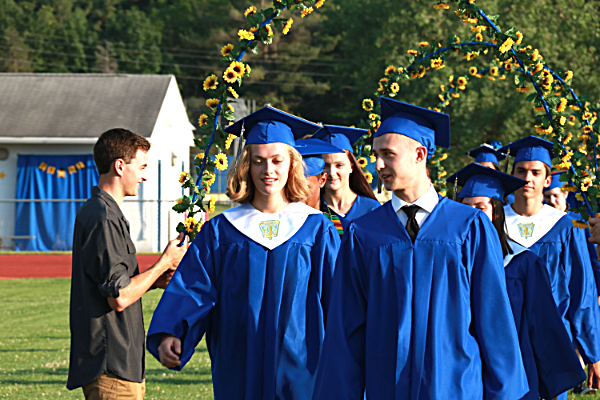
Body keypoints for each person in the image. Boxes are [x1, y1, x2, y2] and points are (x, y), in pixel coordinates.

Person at [312, 98, 528, 400]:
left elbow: (494, 318)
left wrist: (505, 392)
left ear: (419, 154)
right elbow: (346, 329)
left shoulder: (468, 226)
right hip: (387, 387)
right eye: (375, 155)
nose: (377, 165)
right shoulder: (364, 233)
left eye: (388, 154)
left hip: (456, 387)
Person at [147, 106, 341, 400]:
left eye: (277, 160)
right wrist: (172, 332)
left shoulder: (316, 230)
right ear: (246, 166)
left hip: (303, 368)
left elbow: (339, 299)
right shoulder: (222, 231)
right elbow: (193, 287)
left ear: (292, 165)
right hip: (237, 362)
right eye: (259, 161)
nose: (268, 170)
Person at [448, 162, 586, 400]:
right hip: (461, 377)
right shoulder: (448, 265)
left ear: (497, 212)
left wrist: (552, 387)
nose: (472, 215)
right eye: (465, 208)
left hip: (516, 378)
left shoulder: (522, 264)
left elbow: (542, 327)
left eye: (480, 207)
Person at [67, 128, 187, 399]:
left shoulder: (105, 212)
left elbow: (111, 285)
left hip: (120, 366)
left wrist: (156, 280)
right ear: (120, 166)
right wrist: (163, 261)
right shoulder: (103, 217)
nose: (145, 175)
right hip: (112, 368)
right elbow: (118, 297)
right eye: (142, 167)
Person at [499, 136, 600, 396]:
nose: (527, 178)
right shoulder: (494, 223)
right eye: (521, 171)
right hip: (504, 336)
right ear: (512, 175)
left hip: (553, 337)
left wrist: (593, 352)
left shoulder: (565, 226)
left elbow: (582, 291)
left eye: (535, 172)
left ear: (547, 180)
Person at [312, 125, 380, 233]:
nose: (332, 173)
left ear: (352, 167)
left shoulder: (372, 209)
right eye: (325, 165)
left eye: (339, 165)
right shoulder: (311, 209)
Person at [544, 171, 600, 295]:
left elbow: (595, 258)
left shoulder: (580, 222)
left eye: (555, 195)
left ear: (565, 193)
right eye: (547, 197)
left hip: (583, 288)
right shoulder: (543, 223)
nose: (552, 201)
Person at [296, 138, 346, 234]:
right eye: (292, 187)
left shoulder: (340, 228)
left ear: (322, 180)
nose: (298, 196)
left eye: (306, 188)